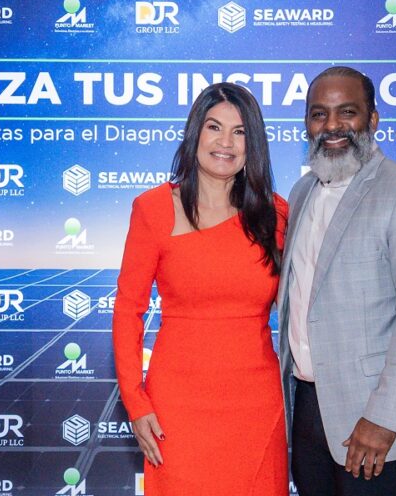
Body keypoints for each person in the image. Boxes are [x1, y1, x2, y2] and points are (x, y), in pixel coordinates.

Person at [277, 66, 396, 496]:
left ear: (372, 119)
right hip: (309, 412)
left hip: (380, 425)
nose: (332, 125)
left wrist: (384, 419)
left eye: (347, 112)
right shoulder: (301, 192)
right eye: (319, 114)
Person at [113, 82, 289, 494]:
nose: (225, 142)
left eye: (239, 131)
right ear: (195, 133)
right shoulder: (153, 208)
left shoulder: (276, 214)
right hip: (177, 406)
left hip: (257, 404)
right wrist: (136, 402)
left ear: (252, 144)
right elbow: (127, 310)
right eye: (214, 127)